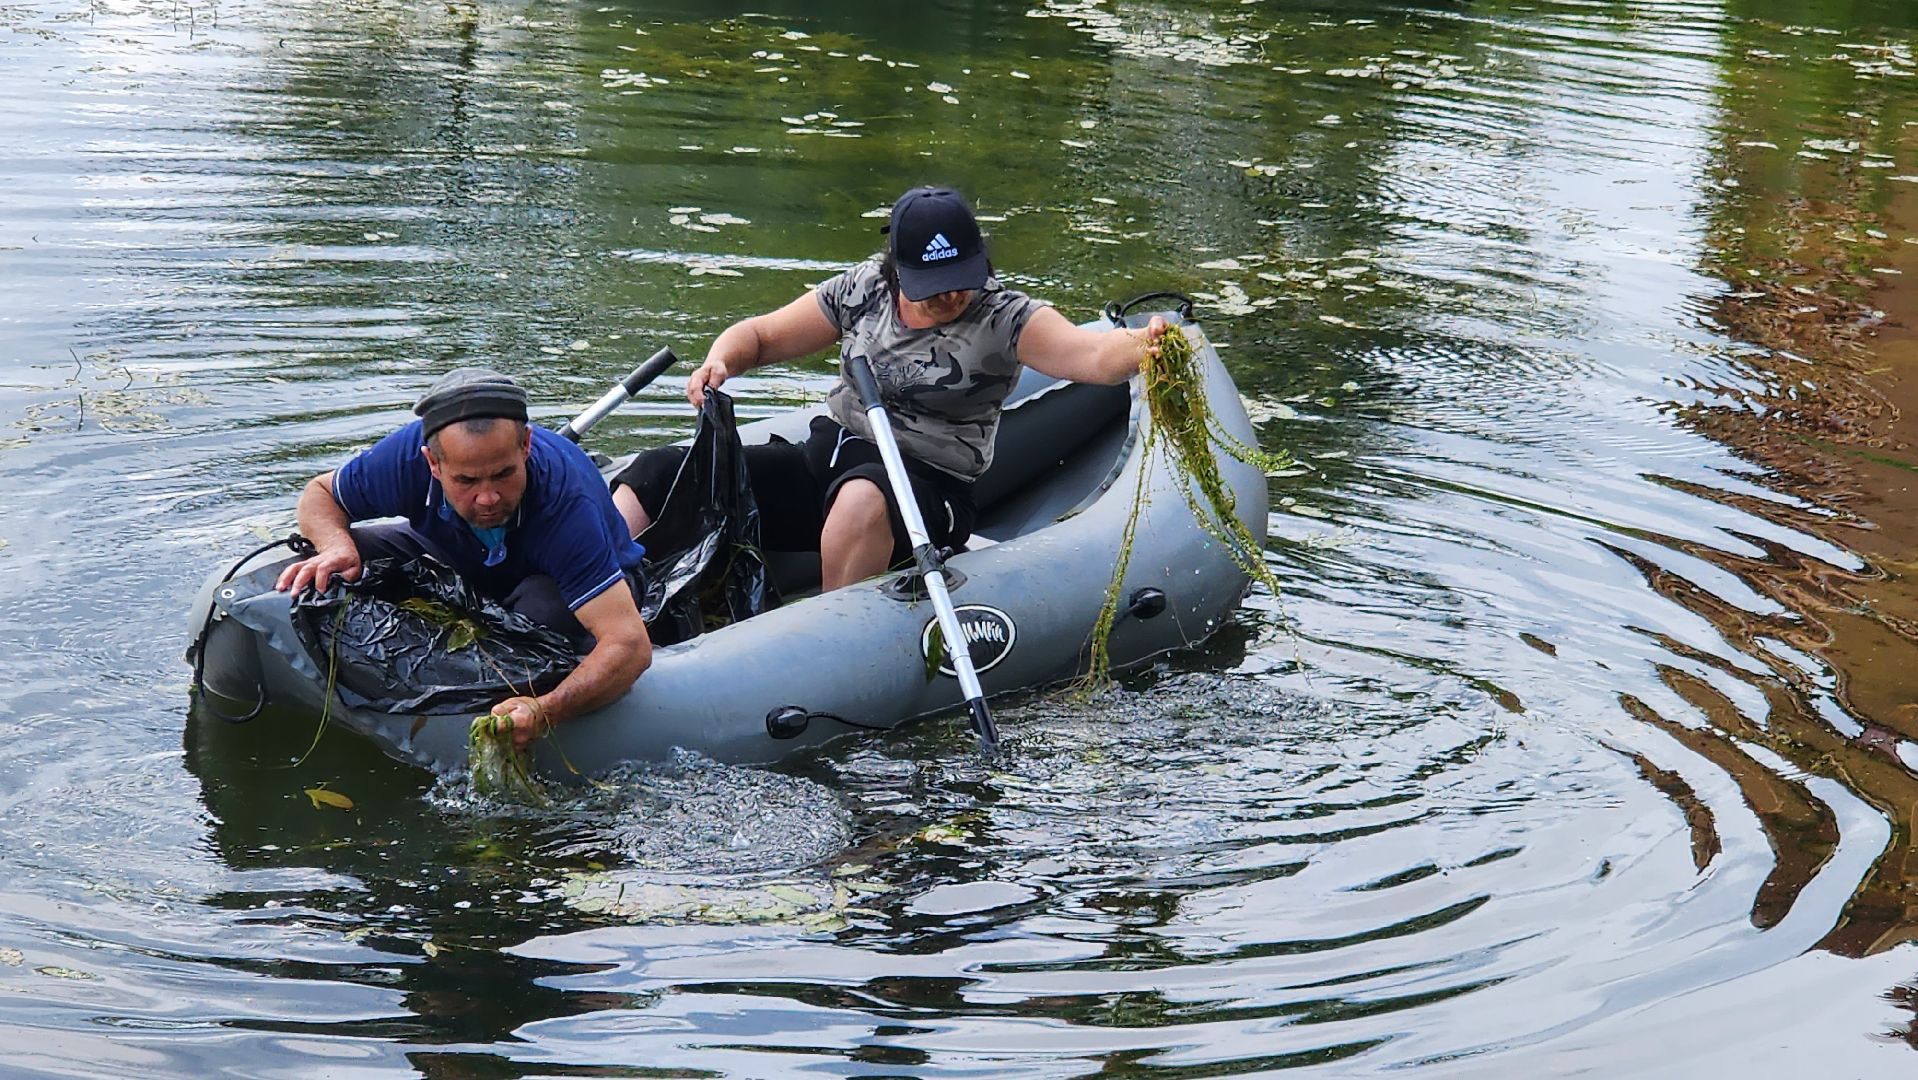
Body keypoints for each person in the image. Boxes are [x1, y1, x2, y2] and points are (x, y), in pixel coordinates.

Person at [612, 185, 1167, 590]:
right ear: (898, 270)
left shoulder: (1005, 317)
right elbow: (759, 337)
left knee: (860, 499)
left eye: (960, 281)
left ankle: (827, 642)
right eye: (934, 286)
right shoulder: (865, 289)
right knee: (658, 472)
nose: (951, 297)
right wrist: (720, 362)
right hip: (826, 461)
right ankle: (606, 603)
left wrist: (1146, 346)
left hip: (926, 488)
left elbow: (1092, 356)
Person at [275, 367, 652, 750]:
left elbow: (630, 646)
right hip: (458, 556)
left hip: (557, 582)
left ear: (525, 445)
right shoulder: (404, 458)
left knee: (541, 616)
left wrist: (545, 711)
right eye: (466, 481)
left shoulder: (567, 505)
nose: (487, 498)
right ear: (433, 463)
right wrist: (336, 547)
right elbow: (321, 493)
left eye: (503, 474)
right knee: (344, 562)